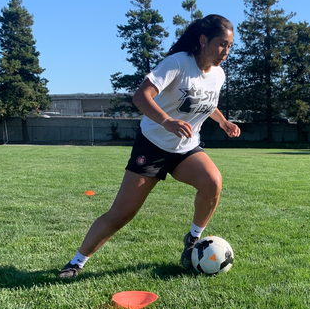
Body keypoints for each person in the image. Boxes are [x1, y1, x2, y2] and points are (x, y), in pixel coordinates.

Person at [59, 14, 240, 278]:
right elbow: (141, 96)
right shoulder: (177, 63)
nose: (226, 51)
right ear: (203, 41)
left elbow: (206, 102)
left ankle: (192, 240)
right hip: (153, 146)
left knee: (213, 181)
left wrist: (223, 122)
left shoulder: (218, 75)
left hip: (185, 149)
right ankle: (77, 262)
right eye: (222, 44)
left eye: (230, 46)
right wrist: (167, 121)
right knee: (123, 212)